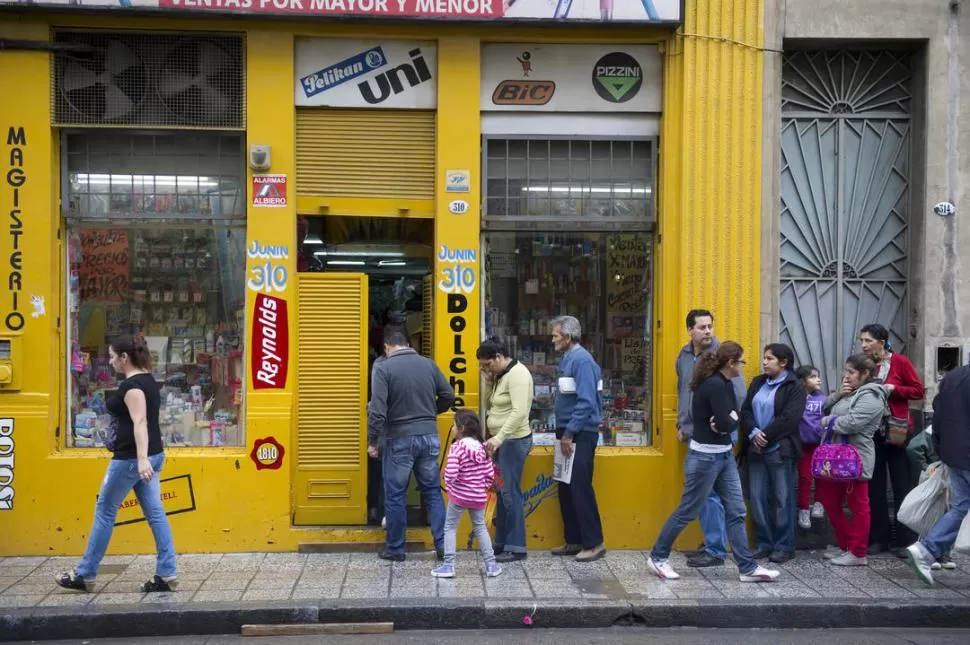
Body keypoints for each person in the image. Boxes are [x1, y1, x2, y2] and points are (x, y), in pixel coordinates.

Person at [647, 341, 780, 583]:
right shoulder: (714, 385)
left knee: (736, 510)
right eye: (741, 361)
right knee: (688, 510)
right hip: (704, 458)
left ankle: (747, 568)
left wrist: (730, 418)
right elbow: (727, 422)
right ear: (730, 363)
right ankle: (657, 557)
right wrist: (730, 419)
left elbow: (730, 419)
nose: (743, 365)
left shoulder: (725, 384)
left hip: (723, 455)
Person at [56, 335, 177, 593]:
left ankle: (85, 574)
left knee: (105, 511)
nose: (110, 362)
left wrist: (141, 460)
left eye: (112, 357)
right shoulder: (149, 381)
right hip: (150, 456)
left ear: (124, 357)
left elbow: (140, 422)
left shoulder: (133, 387)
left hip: (131, 460)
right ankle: (166, 573)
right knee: (156, 513)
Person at [367, 325, 455, 561]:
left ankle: (395, 549)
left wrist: (373, 441)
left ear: (387, 347)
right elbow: (448, 395)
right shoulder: (429, 364)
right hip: (429, 437)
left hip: (398, 438)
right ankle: (443, 545)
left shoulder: (383, 367)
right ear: (408, 345)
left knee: (396, 494)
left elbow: (377, 410)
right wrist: (429, 413)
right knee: (432, 492)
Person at [675, 309, 746, 568]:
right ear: (690, 330)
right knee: (705, 494)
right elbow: (683, 392)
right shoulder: (683, 356)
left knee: (713, 495)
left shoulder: (722, 355)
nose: (707, 331)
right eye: (701, 327)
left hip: (718, 435)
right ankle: (714, 544)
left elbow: (739, 395)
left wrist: (726, 424)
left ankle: (715, 549)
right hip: (694, 435)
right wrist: (681, 423)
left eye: (710, 326)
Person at [859, 323, 925, 557]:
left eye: (868, 340)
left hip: (898, 431)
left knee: (902, 486)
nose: (864, 345)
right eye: (862, 341)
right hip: (871, 433)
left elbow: (918, 391)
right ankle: (879, 539)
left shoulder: (900, 362)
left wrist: (893, 388)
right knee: (874, 487)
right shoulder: (864, 365)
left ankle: (906, 540)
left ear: (881, 342)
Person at [817, 354, 889, 566]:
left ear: (865, 373)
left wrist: (828, 421)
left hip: (855, 458)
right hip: (836, 456)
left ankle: (858, 553)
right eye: (845, 371)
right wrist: (838, 395)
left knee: (859, 505)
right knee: (829, 501)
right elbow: (825, 407)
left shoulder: (872, 395)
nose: (846, 376)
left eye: (851, 372)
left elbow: (853, 423)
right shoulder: (850, 392)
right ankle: (845, 545)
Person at [739, 343, 806, 564]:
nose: (764, 362)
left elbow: (790, 418)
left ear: (783, 362)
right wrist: (753, 433)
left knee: (782, 498)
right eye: (764, 358)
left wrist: (765, 436)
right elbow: (745, 411)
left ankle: (784, 546)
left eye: (769, 358)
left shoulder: (794, 385)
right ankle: (764, 543)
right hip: (756, 448)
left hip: (779, 449)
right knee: (757, 497)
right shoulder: (758, 382)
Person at [549, 315, 607, 562]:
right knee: (566, 486)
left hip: (580, 433)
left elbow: (586, 401)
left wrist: (570, 432)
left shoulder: (582, 361)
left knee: (580, 487)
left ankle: (594, 543)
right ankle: (573, 540)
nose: (553, 339)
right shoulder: (568, 359)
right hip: (567, 431)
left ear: (567, 337)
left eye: (555, 335)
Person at [906, 364, 970, 585]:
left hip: (954, 454)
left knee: (960, 507)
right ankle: (928, 549)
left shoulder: (953, 377)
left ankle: (926, 550)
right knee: (960, 507)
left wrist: (942, 450)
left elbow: (938, 414)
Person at [478, 338, 534, 563]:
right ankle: (501, 543)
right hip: (501, 443)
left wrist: (499, 438)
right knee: (501, 493)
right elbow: (489, 405)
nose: (486, 369)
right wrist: (488, 381)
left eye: (487, 364)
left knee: (510, 494)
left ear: (499, 357)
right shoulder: (501, 375)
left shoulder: (518, 375)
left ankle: (517, 546)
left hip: (513, 442)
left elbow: (519, 412)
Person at [433, 410, 502, 579]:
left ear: (462, 428)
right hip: (478, 497)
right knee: (480, 528)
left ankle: (448, 565)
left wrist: (450, 485)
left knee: (450, 527)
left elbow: (451, 472)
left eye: (454, 425)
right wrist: (480, 487)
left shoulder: (457, 448)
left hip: (458, 496)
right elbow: (489, 474)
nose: (452, 428)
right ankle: (491, 565)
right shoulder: (483, 448)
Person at [905, 424, 955, 570]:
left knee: (944, 514)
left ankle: (940, 553)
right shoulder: (937, 428)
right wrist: (926, 467)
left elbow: (914, 448)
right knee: (936, 513)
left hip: (945, 474)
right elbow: (913, 448)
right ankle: (934, 553)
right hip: (941, 474)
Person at [795, 365, 827, 529]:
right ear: (802, 381)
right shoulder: (796, 398)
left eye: (818, 376)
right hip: (803, 445)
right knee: (805, 478)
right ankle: (804, 509)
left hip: (820, 445)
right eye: (813, 377)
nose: (818, 379)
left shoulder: (823, 398)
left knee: (822, 475)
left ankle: (819, 503)